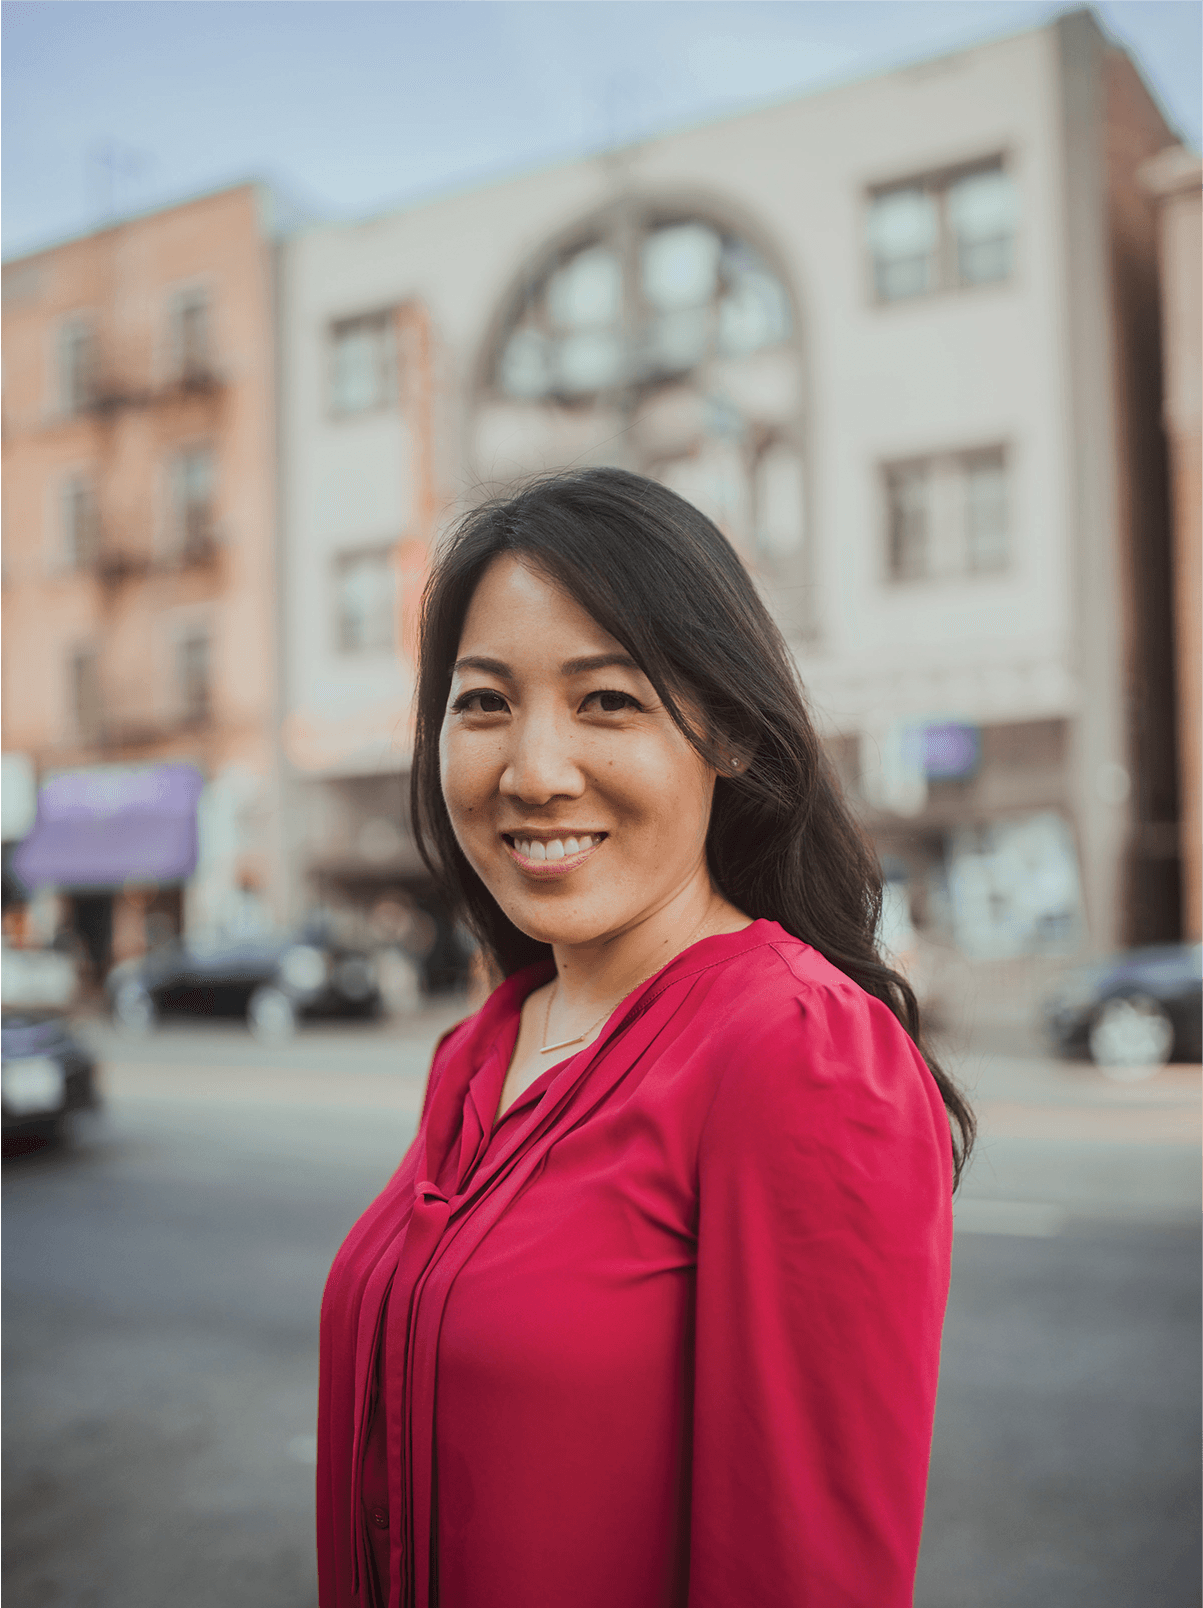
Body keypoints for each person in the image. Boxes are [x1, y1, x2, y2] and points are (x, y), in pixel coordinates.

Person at [317, 468, 973, 1608]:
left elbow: (805, 1579)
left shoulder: (797, 1054)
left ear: (722, 726)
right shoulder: (488, 1043)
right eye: (483, 703)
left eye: (607, 701)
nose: (534, 772)